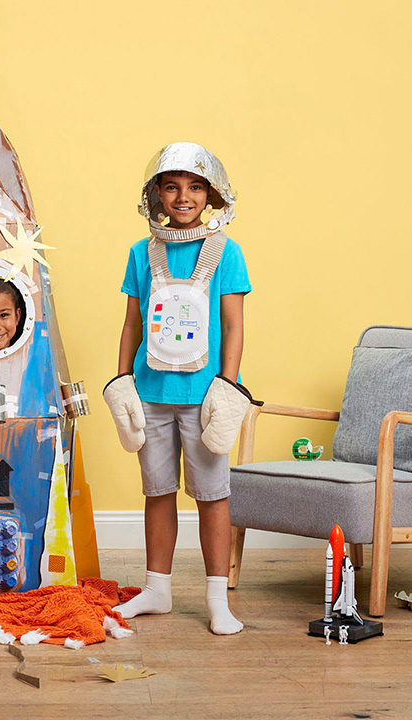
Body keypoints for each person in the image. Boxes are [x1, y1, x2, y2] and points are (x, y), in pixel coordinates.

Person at [103, 142, 257, 635]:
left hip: (204, 397)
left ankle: (217, 599)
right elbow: (132, 324)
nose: (183, 197)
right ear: (156, 195)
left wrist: (227, 386)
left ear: (212, 195)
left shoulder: (225, 253)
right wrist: (122, 381)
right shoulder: (142, 253)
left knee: (212, 495)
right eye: (171, 187)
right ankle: (157, 589)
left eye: (194, 187)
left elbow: (233, 326)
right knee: (157, 491)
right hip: (151, 394)